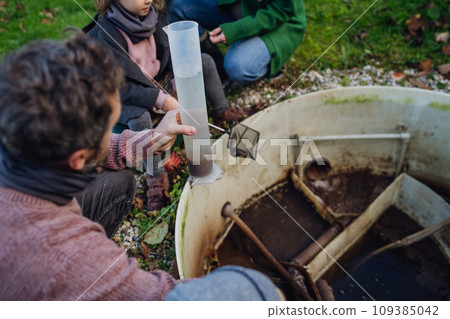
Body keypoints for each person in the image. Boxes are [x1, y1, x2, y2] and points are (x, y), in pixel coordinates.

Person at [0, 33, 282, 301]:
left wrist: (154, 137)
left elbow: (99, 148)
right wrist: (260, 288)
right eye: (108, 128)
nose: (110, 134)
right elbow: (166, 300)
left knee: (121, 183)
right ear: (77, 159)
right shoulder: (64, 259)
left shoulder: (17, 137)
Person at [84, 0, 246, 211]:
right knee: (140, 118)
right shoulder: (106, 34)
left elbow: (170, 50)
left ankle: (221, 111)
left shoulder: (155, 15)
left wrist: (179, 76)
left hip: (160, 81)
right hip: (126, 97)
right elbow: (121, 88)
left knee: (204, 61)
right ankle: (156, 175)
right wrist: (158, 99)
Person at [168, 0, 306, 85]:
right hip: (239, 6)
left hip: (278, 23)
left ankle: (270, 62)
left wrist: (236, 30)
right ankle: (215, 69)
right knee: (180, 8)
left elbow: (280, 11)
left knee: (238, 68)